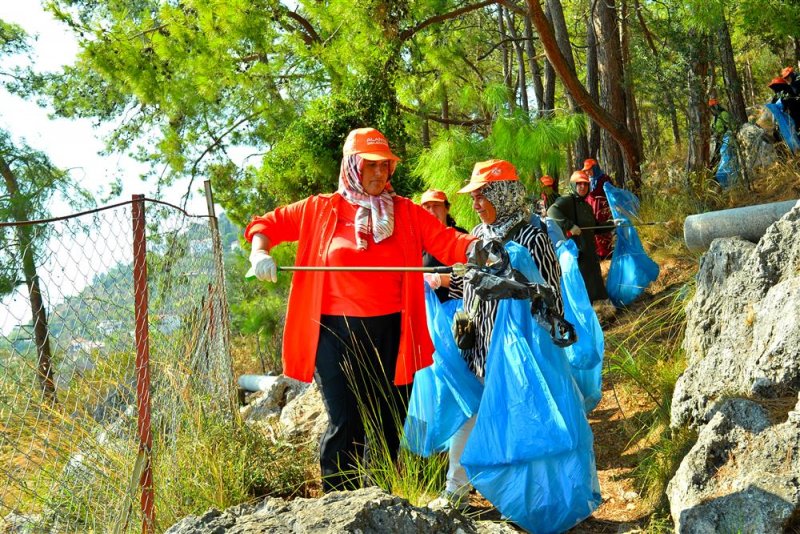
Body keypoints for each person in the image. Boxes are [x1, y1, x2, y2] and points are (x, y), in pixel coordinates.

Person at [245, 127, 478, 493]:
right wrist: (259, 251)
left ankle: (377, 504)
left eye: (385, 166)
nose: (379, 174)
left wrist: (484, 246)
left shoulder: (406, 212)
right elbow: (265, 225)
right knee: (346, 423)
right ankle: (338, 508)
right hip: (334, 335)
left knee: (388, 425)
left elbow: (448, 241)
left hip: (393, 333)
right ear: (352, 165)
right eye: (370, 165)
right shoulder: (319, 209)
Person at [432, 159, 564, 508]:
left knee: (521, 420)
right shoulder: (476, 236)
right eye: (473, 197)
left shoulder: (532, 235)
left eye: (481, 196)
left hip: (517, 348)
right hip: (478, 343)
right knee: (469, 413)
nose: (475, 204)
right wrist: (441, 281)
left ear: (501, 193)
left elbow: (550, 288)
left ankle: (531, 499)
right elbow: (464, 281)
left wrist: (544, 334)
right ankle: (455, 490)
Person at [547, 169, 609, 303]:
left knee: (594, 284)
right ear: (573, 185)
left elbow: (595, 227)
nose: (582, 187)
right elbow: (551, 211)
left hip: (590, 253)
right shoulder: (568, 200)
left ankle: (598, 315)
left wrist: (613, 224)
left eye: (585, 184)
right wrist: (569, 225)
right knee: (582, 287)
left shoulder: (587, 206)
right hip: (577, 253)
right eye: (579, 184)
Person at [419, 189, 467, 304]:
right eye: (427, 207)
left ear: (447, 208)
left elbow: (472, 276)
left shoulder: (461, 237)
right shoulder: (417, 241)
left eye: (436, 205)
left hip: (459, 308)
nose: (432, 211)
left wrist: (439, 279)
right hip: (428, 309)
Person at [582, 158, 615, 260]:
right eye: (586, 171)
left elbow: (611, 193)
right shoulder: (588, 181)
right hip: (591, 207)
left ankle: (606, 253)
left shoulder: (604, 179)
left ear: (595, 168)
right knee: (593, 228)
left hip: (601, 208)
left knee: (603, 228)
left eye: (589, 170)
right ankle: (598, 252)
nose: (588, 172)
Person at [709, 98, 735, 167]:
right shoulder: (714, 117)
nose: (711, 110)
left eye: (712, 108)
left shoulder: (724, 114)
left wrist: (724, 133)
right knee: (714, 156)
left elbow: (731, 126)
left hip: (725, 139)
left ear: (716, 107)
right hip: (717, 140)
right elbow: (712, 128)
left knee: (722, 155)